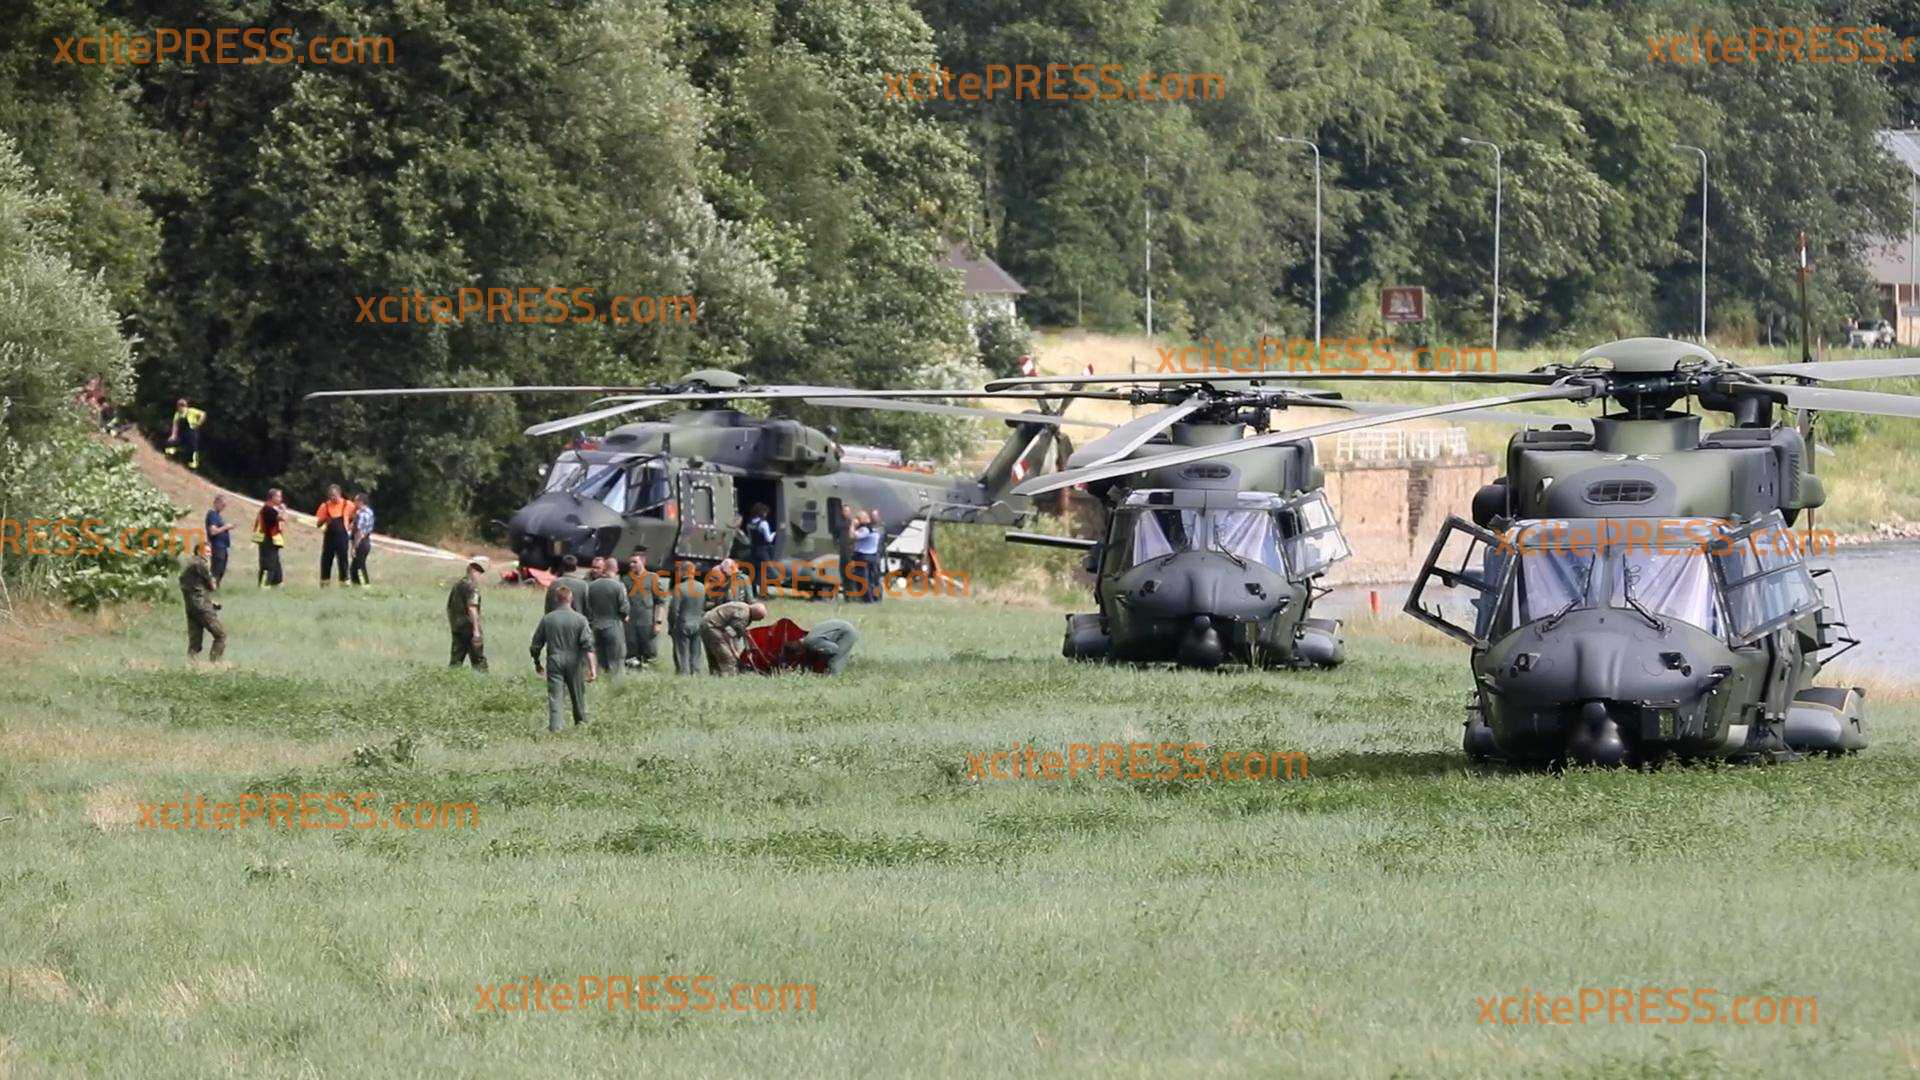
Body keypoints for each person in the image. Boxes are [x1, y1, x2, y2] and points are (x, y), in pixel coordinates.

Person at [531, 584, 597, 732]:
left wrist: (537, 663)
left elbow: (536, 645)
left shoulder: (548, 619)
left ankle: (556, 727)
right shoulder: (580, 619)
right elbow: (588, 645)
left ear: (556, 599)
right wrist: (592, 668)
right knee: (577, 694)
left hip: (554, 660)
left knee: (555, 696)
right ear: (571, 599)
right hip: (575, 662)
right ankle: (581, 723)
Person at [584, 559, 631, 680]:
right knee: (616, 660)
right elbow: (624, 609)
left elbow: (588, 607)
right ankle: (615, 686)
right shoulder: (618, 586)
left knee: (600, 659)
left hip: (596, 626)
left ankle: (600, 681)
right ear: (615, 569)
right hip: (613, 625)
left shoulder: (591, 586)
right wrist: (624, 617)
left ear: (604, 569)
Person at [180, 541, 226, 662]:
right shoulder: (201, 564)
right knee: (220, 635)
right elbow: (212, 586)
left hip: (191, 607)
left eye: (210, 552)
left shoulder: (188, 564)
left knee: (195, 642)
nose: (209, 555)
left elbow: (194, 588)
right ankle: (214, 665)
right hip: (202, 607)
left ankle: (191, 666)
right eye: (207, 552)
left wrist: (211, 602)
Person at [701, 600, 768, 676]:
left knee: (713, 656)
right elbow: (729, 635)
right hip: (713, 626)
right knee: (728, 657)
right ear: (755, 613)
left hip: (706, 622)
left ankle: (715, 675)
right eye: (760, 618)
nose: (760, 620)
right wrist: (735, 652)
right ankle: (730, 677)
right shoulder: (743, 616)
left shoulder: (743, 606)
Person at [447, 557, 489, 670]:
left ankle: (449, 682)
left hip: (457, 628)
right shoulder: (472, 587)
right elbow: (472, 608)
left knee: (455, 661)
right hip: (469, 629)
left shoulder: (458, 585)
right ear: (472, 570)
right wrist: (476, 631)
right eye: (478, 572)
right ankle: (484, 685)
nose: (479, 575)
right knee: (479, 662)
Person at [622, 550, 661, 669]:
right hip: (631, 622)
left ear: (643, 562)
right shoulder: (626, 579)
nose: (631, 565)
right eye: (630, 562)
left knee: (649, 650)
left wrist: (658, 622)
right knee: (631, 650)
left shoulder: (653, 577)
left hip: (647, 621)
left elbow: (659, 602)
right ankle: (633, 673)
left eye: (635, 562)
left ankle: (649, 674)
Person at [667, 561, 708, 674]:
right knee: (696, 651)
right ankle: (695, 672)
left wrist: (671, 626)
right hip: (698, 623)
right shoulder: (701, 587)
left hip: (682, 624)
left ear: (683, 572)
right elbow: (704, 606)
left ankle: (683, 673)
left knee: (681, 653)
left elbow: (674, 610)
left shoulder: (679, 588)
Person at [785, 618, 860, 675]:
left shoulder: (811, 642)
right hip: (840, 626)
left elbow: (834, 649)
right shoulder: (808, 639)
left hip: (847, 632)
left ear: (799, 650)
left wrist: (823, 654)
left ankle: (834, 682)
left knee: (834, 662)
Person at [315, 484, 354, 585]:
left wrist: (351, 526)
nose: (333, 497)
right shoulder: (325, 506)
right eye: (331, 495)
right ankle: (325, 581)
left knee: (343, 560)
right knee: (326, 559)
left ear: (339, 494)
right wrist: (324, 520)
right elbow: (318, 524)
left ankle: (344, 581)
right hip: (330, 537)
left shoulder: (348, 504)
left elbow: (356, 516)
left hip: (342, 537)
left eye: (335, 495)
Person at [253, 488, 286, 587]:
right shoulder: (268, 509)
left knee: (276, 564)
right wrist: (283, 510)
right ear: (272, 497)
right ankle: (264, 585)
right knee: (268, 564)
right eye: (279, 496)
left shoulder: (272, 508)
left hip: (272, 541)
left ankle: (277, 583)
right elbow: (280, 518)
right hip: (267, 540)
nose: (281, 499)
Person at [745, 503, 778, 595]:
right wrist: (775, 533)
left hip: (753, 550)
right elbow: (768, 539)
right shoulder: (763, 523)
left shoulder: (750, 523)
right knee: (767, 571)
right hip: (763, 550)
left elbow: (750, 539)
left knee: (755, 571)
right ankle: (764, 592)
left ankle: (754, 591)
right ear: (762, 512)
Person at [166, 397, 206, 470]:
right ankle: (172, 453)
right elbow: (175, 424)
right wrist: (173, 435)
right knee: (178, 443)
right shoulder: (178, 414)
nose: (179, 408)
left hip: (193, 431)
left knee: (193, 447)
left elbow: (203, 414)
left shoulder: (191, 411)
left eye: (180, 406)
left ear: (184, 406)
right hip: (184, 432)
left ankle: (194, 463)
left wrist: (199, 423)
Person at [204, 494, 235, 587]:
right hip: (217, 546)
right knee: (216, 569)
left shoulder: (217, 515)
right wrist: (226, 527)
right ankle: (211, 587)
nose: (223, 507)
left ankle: (215, 586)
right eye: (223, 505)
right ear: (217, 503)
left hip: (223, 546)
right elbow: (213, 531)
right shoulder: (212, 514)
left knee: (221, 569)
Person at [850, 511, 881, 603]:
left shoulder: (865, 529)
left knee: (863, 579)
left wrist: (852, 525)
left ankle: (867, 600)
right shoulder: (875, 528)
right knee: (875, 580)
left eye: (858, 518)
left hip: (863, 557)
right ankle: (877, 597)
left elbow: (853, 536)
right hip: (873, 556)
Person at [348, 493, 375, 586]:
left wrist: (354, 547)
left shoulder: (362, 514)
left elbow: (359, 532)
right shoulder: (369, 512)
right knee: (354, 568)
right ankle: (357, 586)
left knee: (359, 567)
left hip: (361, 542)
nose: (354, 503)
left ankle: (365, 586)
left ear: (361, 502)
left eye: (355, 500)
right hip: (366, 542)